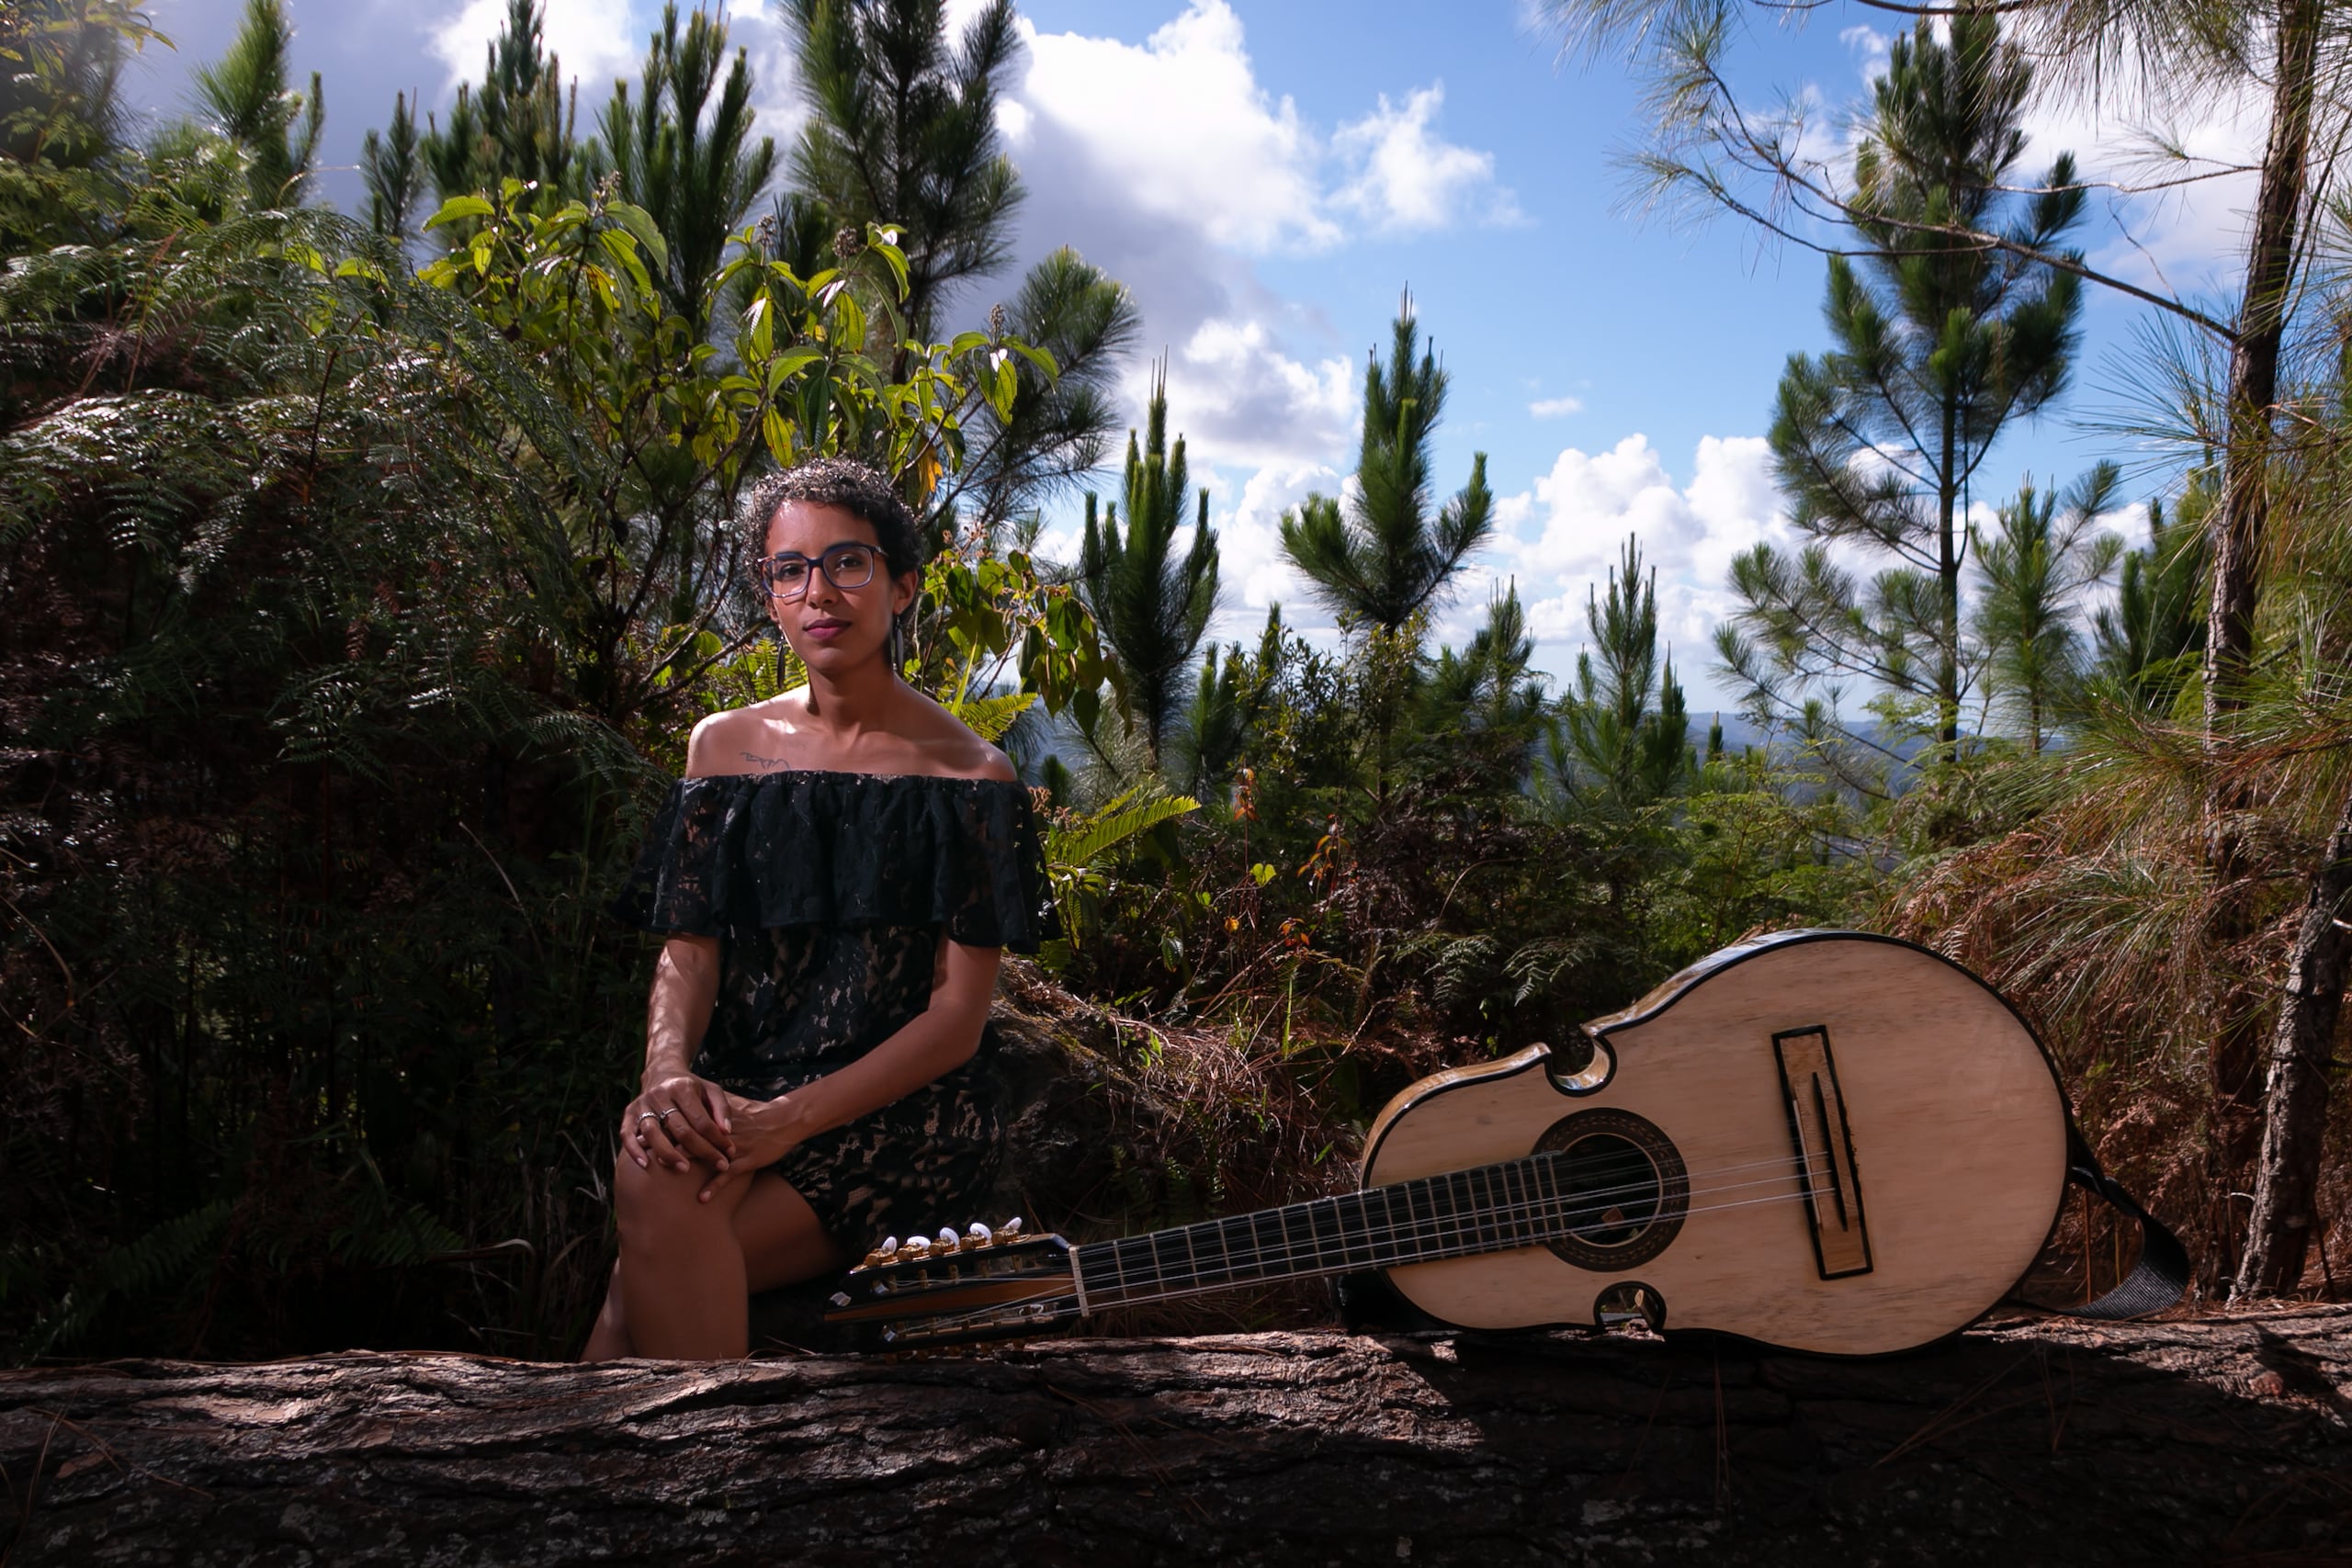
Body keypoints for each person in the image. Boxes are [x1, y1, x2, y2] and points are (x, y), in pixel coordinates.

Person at [581, 457, 1052, 1361]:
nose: (818, 593)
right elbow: (689, 948)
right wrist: (666, 1077)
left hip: (897, 1118)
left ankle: (681, 1482)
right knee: (655, 1179)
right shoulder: (720, 747)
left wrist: (785, 1122)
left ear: (903, 586)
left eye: (848, 562)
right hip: (744, 1090)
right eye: (789, 570)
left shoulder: (970, 776)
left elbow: (955, 1025)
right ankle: (682, 1480)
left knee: (642, 1274)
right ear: (768, 595)